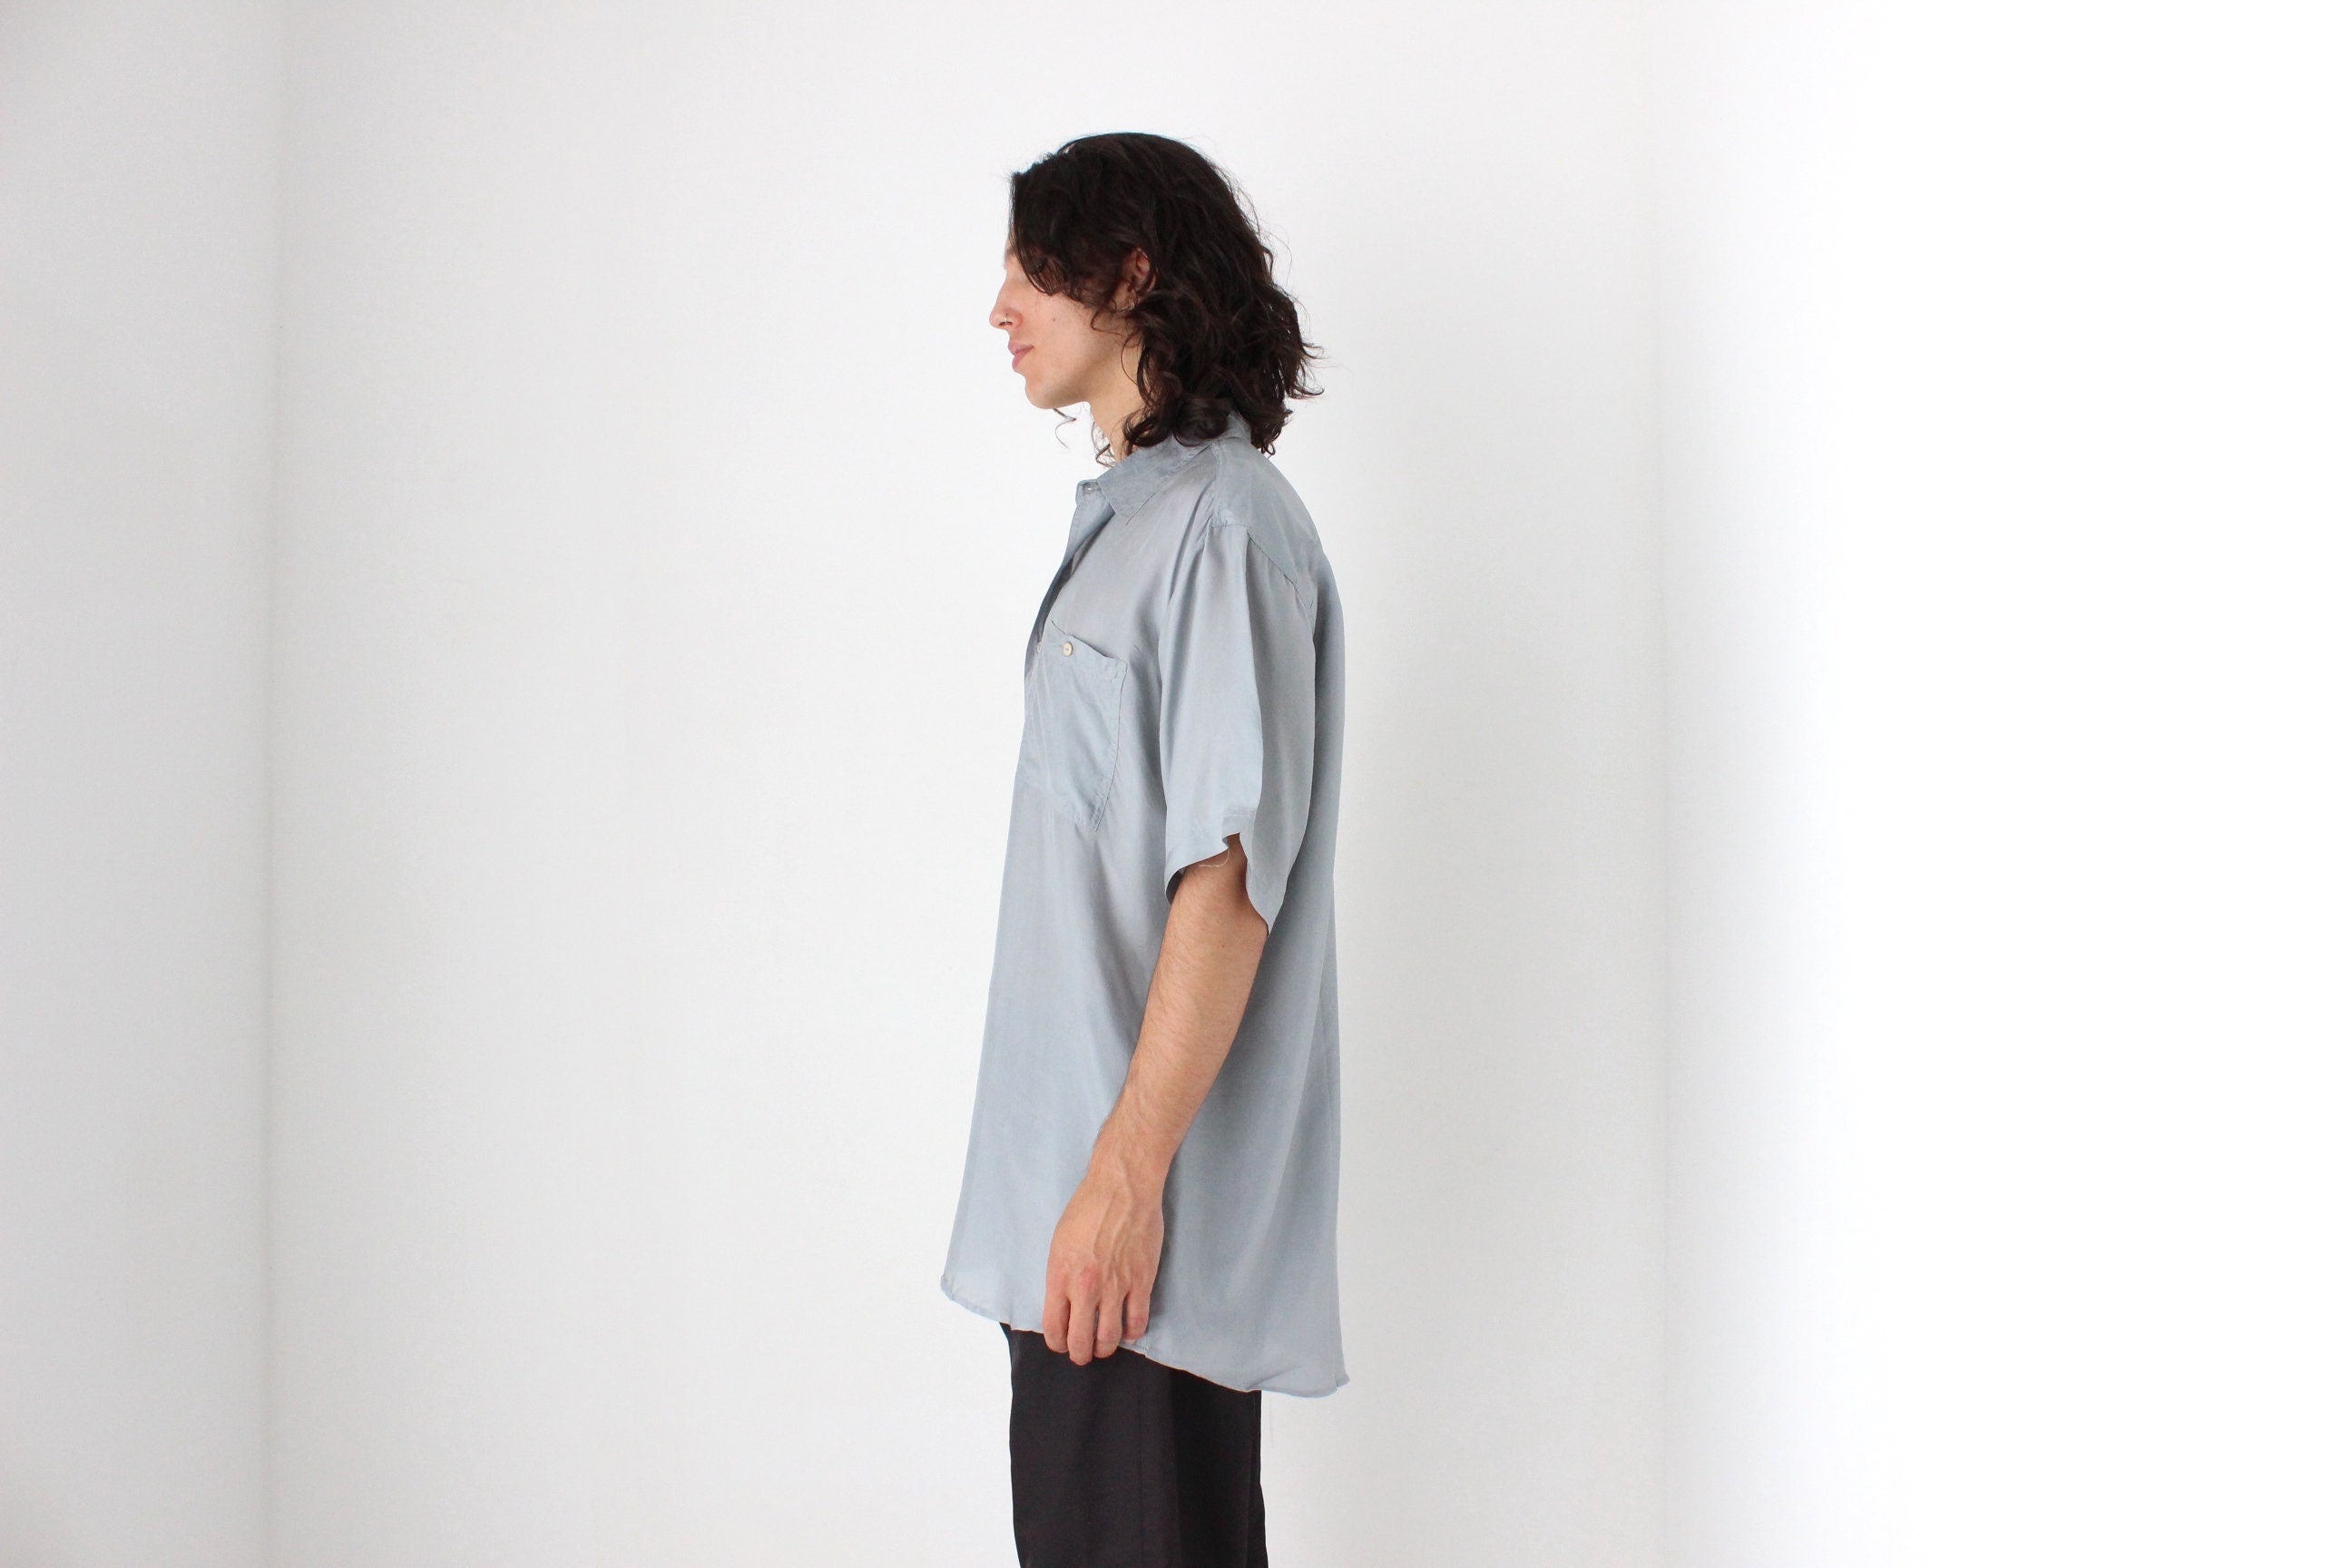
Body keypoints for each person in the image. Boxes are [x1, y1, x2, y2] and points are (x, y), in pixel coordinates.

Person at [940, 132, 1348, 1567]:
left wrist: (1123, 1183)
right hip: (1079, 1221)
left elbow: (1229, 882)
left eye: (1030, 270)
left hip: (1133, 1241)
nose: (999, 308)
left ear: (1129, 275)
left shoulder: (1224, 530)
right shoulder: (1138, 524)